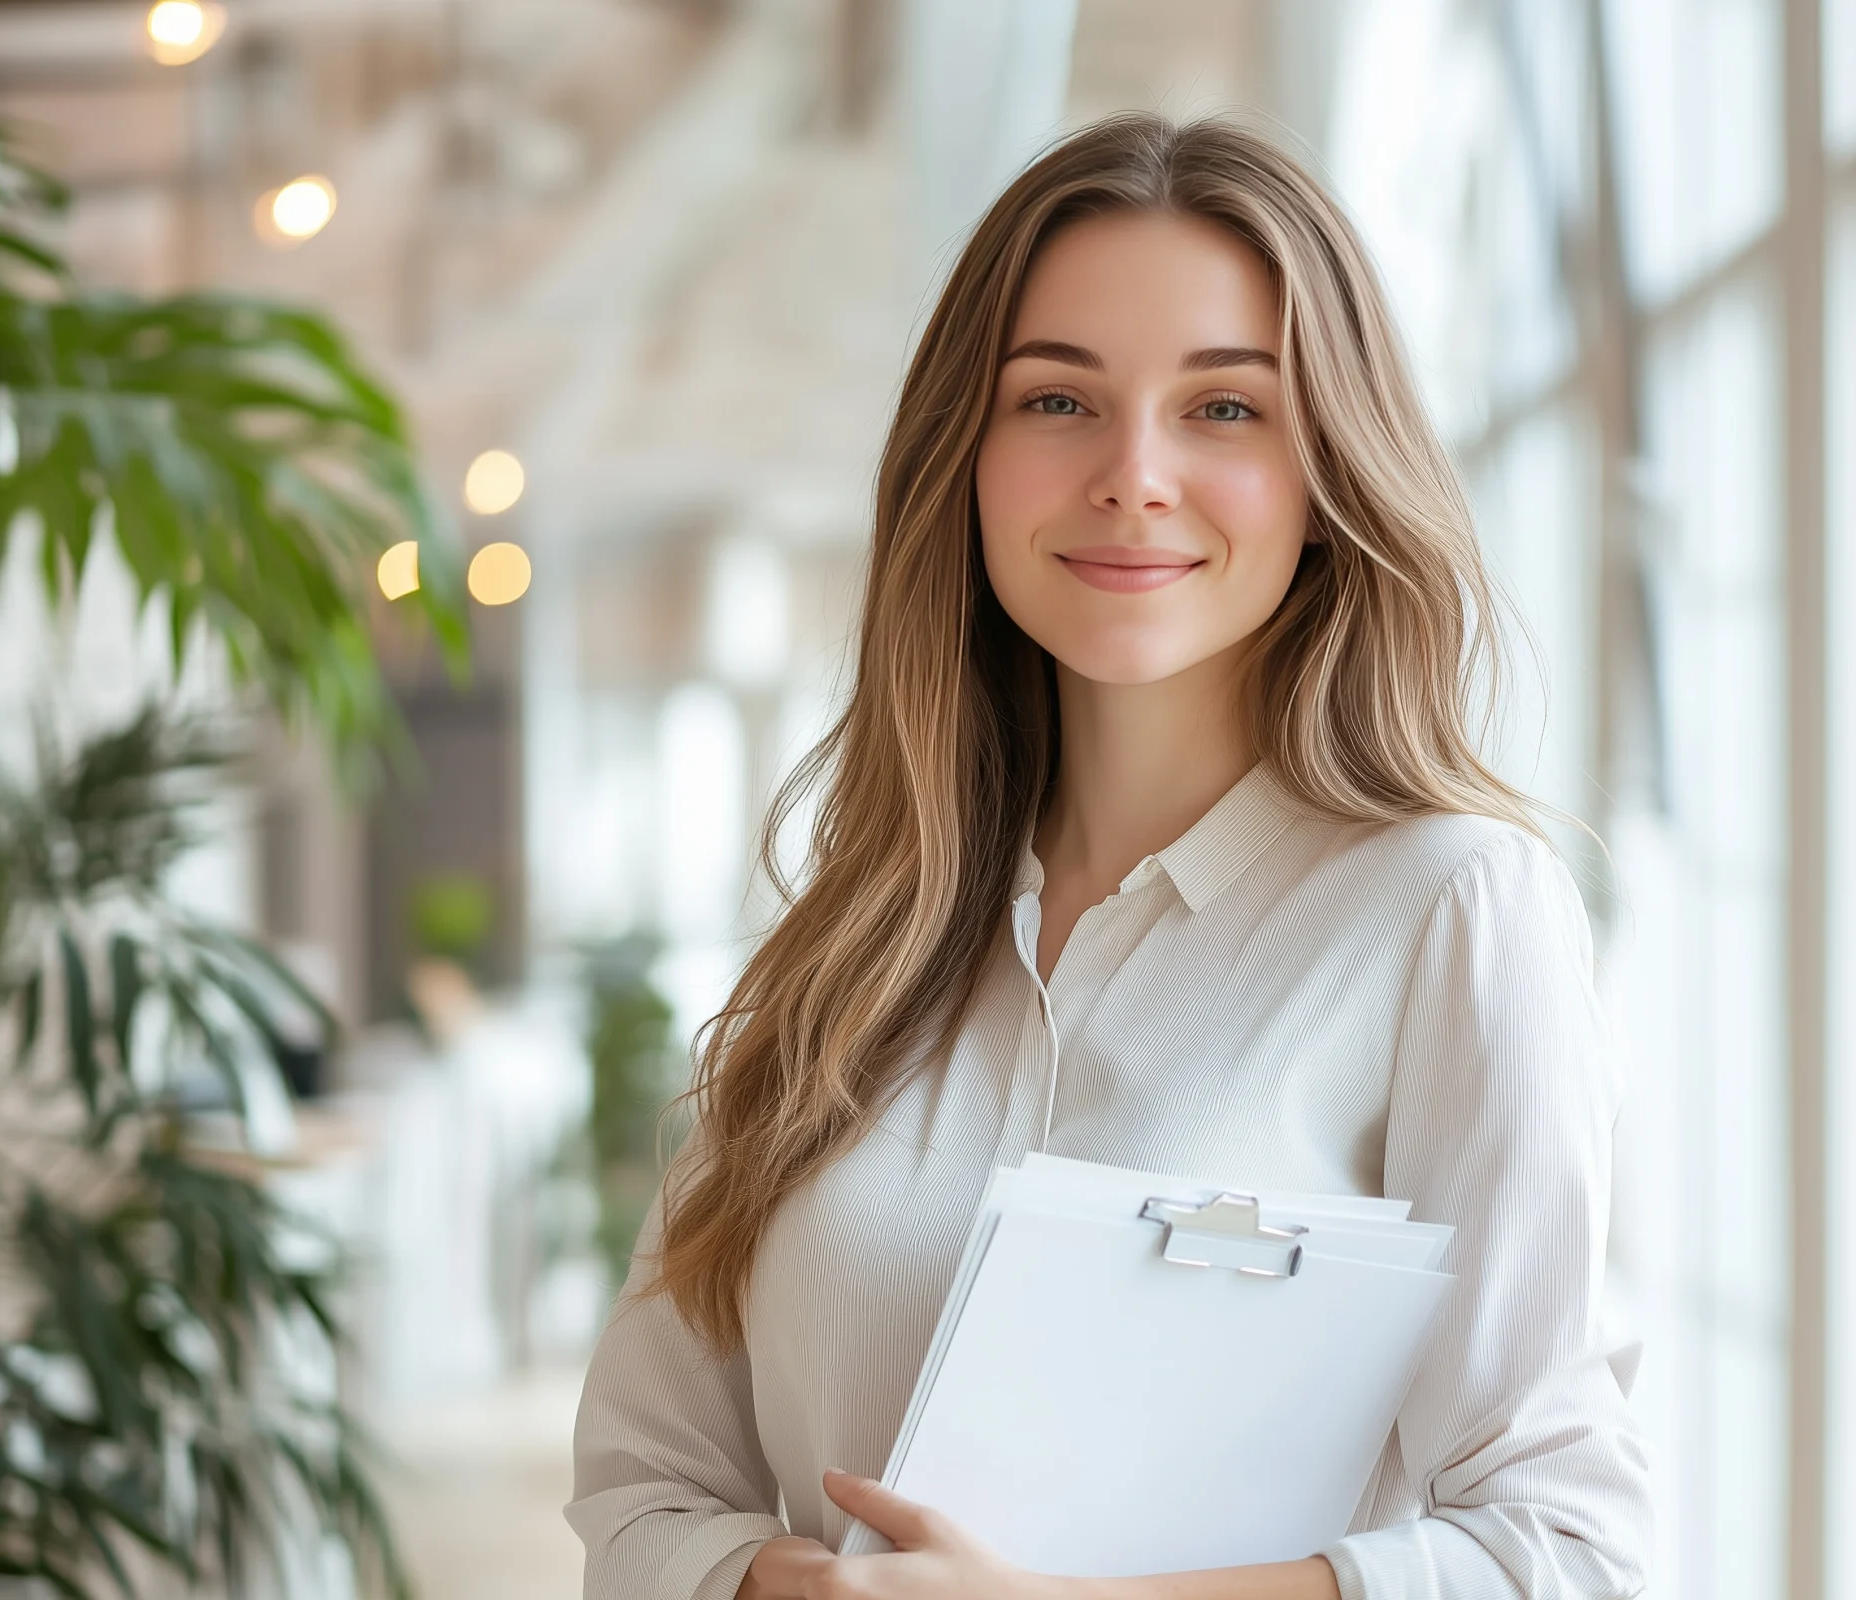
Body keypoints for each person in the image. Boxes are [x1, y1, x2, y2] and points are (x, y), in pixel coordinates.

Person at [565, 112, 1651, 1600]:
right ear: (967, 458)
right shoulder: (856, 942)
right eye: (1059, 401)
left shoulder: (1449, 910)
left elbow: (1564, 1547)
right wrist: (781, 1583)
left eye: (1224, 410)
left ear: (1329, 473)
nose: (1134, 475)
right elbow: (638, 1487)